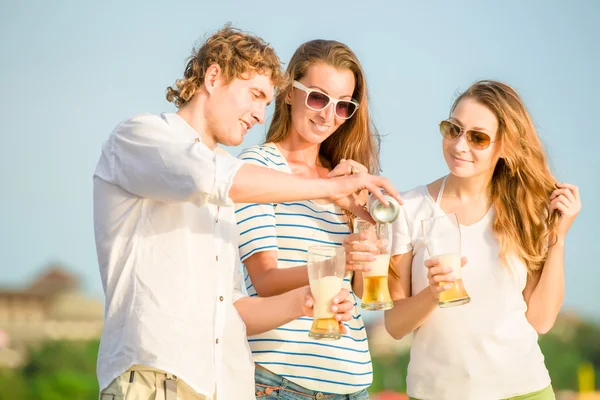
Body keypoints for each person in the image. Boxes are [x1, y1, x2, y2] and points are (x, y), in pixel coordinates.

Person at [93, 26, 401, 400]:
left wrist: (308, 299)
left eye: (265, 102)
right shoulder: (143, 135)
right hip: (157, 376)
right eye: (254, 95)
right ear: (213, 76)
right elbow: (214, 178)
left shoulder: (226, 180)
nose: (258, 114)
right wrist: (330, 190)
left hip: (221, 384)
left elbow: (232, 304)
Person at [384, 80, 581, 400]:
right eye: (453, 129)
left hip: (523, 391)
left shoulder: (526, 211)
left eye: (478, 137)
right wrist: (434, 294)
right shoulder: (408, 209)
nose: (460, 145)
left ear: (504, 146)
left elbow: (541, 320)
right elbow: (394, 325)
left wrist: (557, 239)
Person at [235, 39, 381, 399]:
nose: (327, 114)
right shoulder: (258, 168)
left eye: (343, 106)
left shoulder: (344, 180)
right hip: (282, 383)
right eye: (318, 97)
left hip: (354, 384)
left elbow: (366, 291)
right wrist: (338, 263)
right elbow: (266, 281)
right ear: (288, 93)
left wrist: (364, 214)